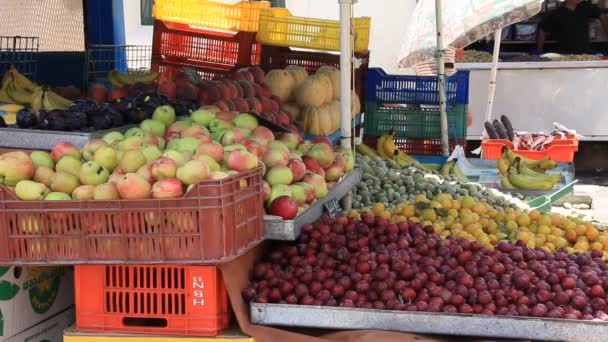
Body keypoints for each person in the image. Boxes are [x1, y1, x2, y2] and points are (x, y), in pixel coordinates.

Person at [536, 0, 608, 54]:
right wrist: (539, 51)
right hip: (564, 55)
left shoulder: (586, 6)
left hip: (585, 54)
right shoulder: (556, 13)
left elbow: (602, 16)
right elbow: (542, 29)